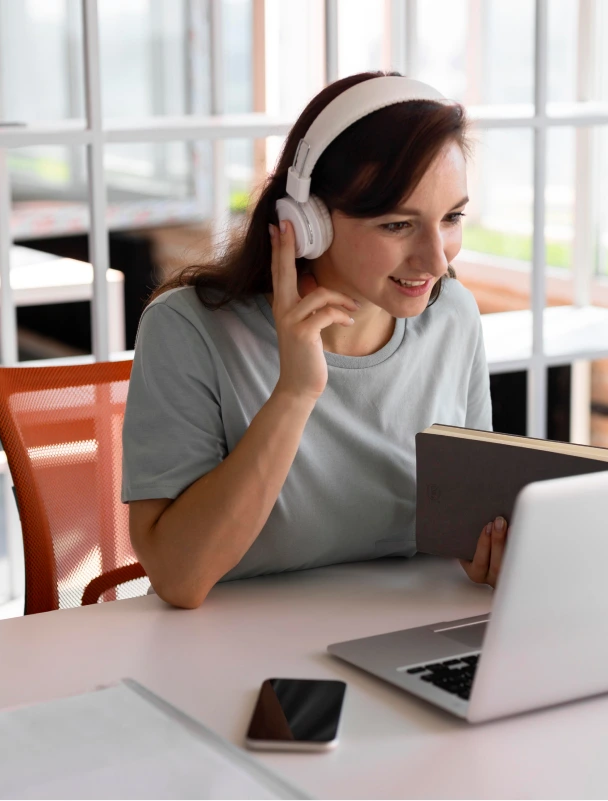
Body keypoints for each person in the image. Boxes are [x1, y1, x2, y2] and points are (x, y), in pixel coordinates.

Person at [120, 72, 508, 609]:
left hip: (397, 631)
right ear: (308, 223)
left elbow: (465, 518)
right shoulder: (187, 329)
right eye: (397, 225)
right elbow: (180, 579)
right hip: (225, 654)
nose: (438, 261)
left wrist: (485, 551)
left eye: (452, 218)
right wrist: (296, 391)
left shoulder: (452, 315)